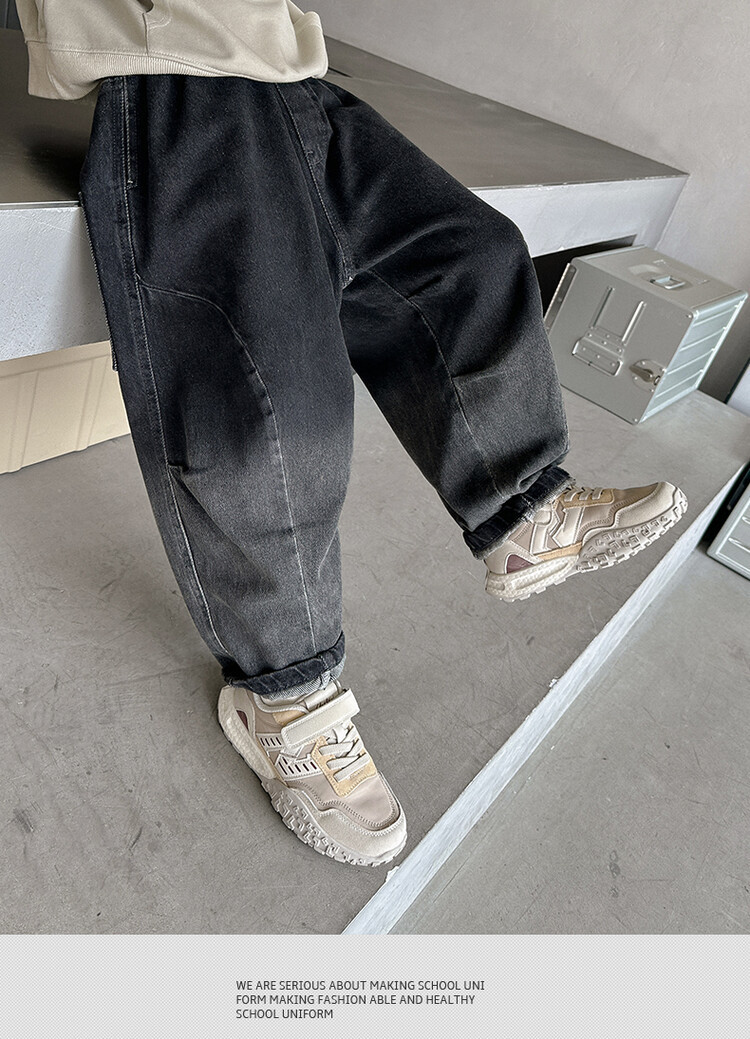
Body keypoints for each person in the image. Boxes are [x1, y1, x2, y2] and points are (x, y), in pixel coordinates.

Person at [17, 0, 687, 867]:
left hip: (289, 78)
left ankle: (523, 509)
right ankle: (285, 694)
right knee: (271, 408)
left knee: (468, 259)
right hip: (175, 82)